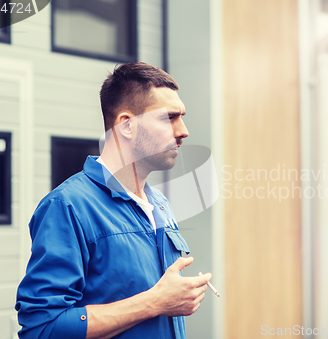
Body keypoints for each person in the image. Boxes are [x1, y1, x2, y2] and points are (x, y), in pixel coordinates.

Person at [15, 62, 212, 339]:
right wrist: (154, 302)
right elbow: (43, 328)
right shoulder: (68, 206)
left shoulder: (159, 204)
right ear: (126, 125)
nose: (183, 131)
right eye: (169, 117)